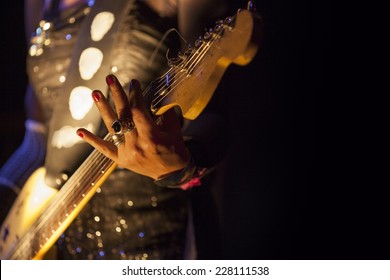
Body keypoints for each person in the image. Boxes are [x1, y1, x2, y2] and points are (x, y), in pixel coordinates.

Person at [0, 0, 231, 259]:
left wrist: (184, 166)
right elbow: (37, 139)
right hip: (60, 242)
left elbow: (219, 113)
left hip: (154, 237)